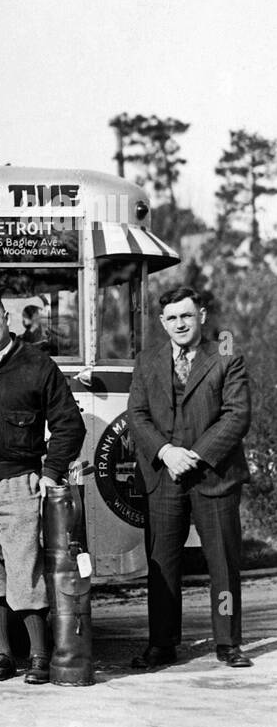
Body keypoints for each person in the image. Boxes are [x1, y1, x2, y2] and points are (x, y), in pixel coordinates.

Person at [0, 295, 84, 684]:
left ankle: (40, 656)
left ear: (6, 319)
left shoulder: (38, 364)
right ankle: (2, 655)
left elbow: (70, 424)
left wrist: (51, 471)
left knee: (26, 567)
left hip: (20, 481)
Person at [127, 287, 253, 669]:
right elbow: (137, 415)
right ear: (163, 323)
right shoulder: (147, 360)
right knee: (162, 564)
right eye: (172, 318)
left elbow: (236, 416)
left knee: (222, 564)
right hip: (164, 477)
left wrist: (193, 455)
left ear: (201, 315)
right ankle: (162, 644)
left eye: (186, 315)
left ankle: (228, 642)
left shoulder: (226, 354)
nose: (180, 323)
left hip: (213, 475)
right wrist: (166, 452)